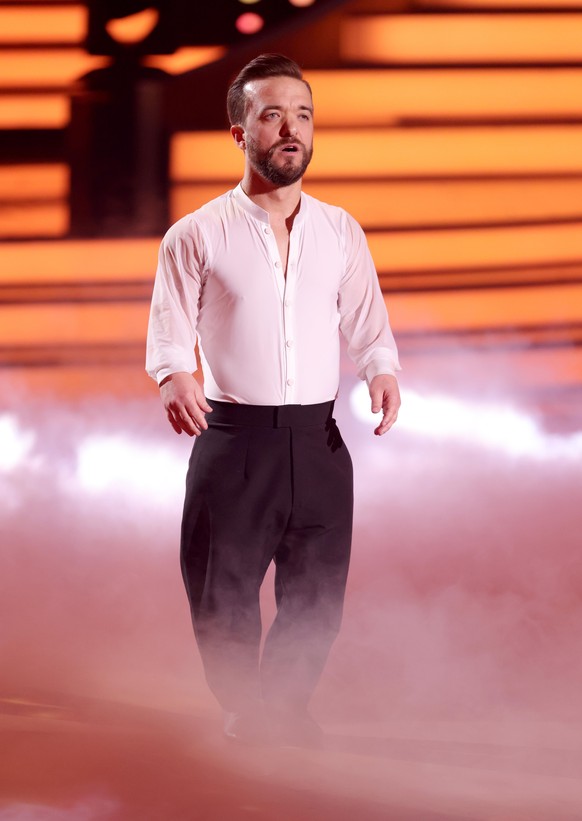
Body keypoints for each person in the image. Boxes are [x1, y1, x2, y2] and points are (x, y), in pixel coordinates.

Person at [146, 53, 401, 747]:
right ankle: (241, 708)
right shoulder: (195, 234)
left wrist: (380, 368)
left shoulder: (340, 230)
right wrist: (174, 374)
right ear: (239, 131)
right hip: (235, 441)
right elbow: (169, 330)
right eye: (272, 114)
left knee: (316, 592)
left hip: (319, 443)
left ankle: (285, 708)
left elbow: (367, 323)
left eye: (303, 114)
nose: (291, 128)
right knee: (221, 587)